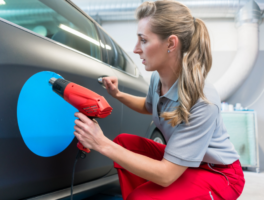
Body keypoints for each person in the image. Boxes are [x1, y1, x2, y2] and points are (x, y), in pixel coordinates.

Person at [73, 0, 245, 199]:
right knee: (123, 144)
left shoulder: (203, 101)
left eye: (143, 40)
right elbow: (149, 106)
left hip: (218, 172)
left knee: (141, 197)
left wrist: (101, 143)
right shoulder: (158, 77)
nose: (136, 49)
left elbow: (166, 175)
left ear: (171, 44)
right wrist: (118, 94)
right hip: (187, 162)